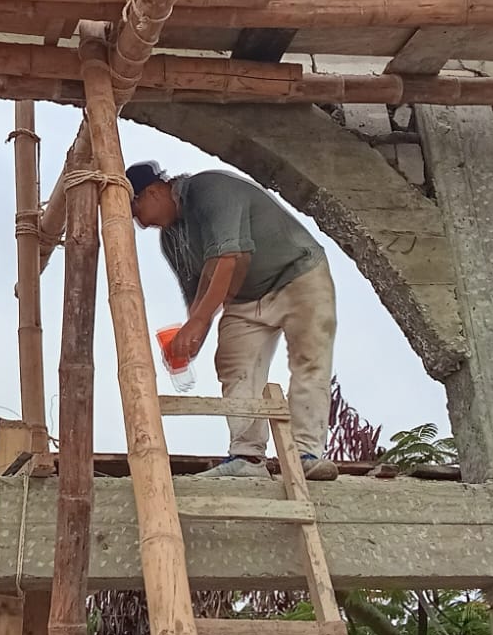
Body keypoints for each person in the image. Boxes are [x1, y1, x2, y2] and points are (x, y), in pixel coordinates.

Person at [126, 161, 341, 481]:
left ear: (153, 192)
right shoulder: (171, 239)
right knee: (234, 363)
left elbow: (229, 259)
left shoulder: (210, 191)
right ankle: (247, 457)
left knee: (310, 359)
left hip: (298, 275)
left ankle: (306, 454)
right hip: (245, 297)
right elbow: (197, 293)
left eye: (136, 210)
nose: (141, 224)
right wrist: (191, 340)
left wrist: (198, 323)